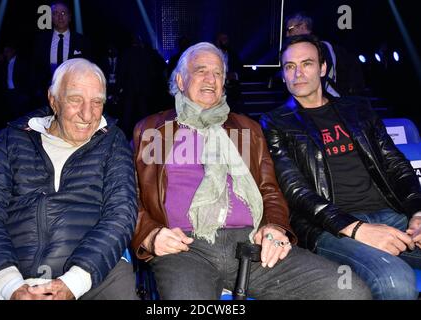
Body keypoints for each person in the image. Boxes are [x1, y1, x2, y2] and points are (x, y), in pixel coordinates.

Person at [131, 42, 371, 300]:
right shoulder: (152, 131)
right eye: (201, 71)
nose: (211, 79)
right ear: (180, 80)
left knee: (350, 291)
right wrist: (150, 234)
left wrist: (275, 227)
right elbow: (128, 197)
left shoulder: (247, 129)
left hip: (252, 244)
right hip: (184, 248)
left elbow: (270, 191)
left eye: (218, 73)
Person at [260, 34, 421, 300]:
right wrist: (357, 229)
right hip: (330, 227)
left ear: (323, 69)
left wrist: (416, 213)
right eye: (289, 66)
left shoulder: (357, 108)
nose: (297, 73)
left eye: (307, 63)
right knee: (395, 281)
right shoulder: (275, 122)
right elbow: (296, 191)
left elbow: (395, 164)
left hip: (391, 215)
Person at [0, 58, 138, 300]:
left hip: (91, 276)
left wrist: (74, 282)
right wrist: (9, 284)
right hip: (13, 270)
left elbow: (120, 215)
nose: (87, 115)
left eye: (96, 102)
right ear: (53, 100)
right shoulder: (12, 140)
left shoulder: (113, 142)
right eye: (75, 100)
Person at [284, 12, 365, 97]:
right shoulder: (317, 47)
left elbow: (328, 81)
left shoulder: (322, 47)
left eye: (290, 29)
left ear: (303, 26)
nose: (287, 34)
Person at [32, 1, 91, 106]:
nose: (60, 17)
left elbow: (87, 68)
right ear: (51, 17)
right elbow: (35, 67)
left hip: (74, 94)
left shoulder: (82, 41)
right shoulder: (41, 40)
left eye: (63, 13)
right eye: (55, 13)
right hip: (46, 96)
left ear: (70, 17)